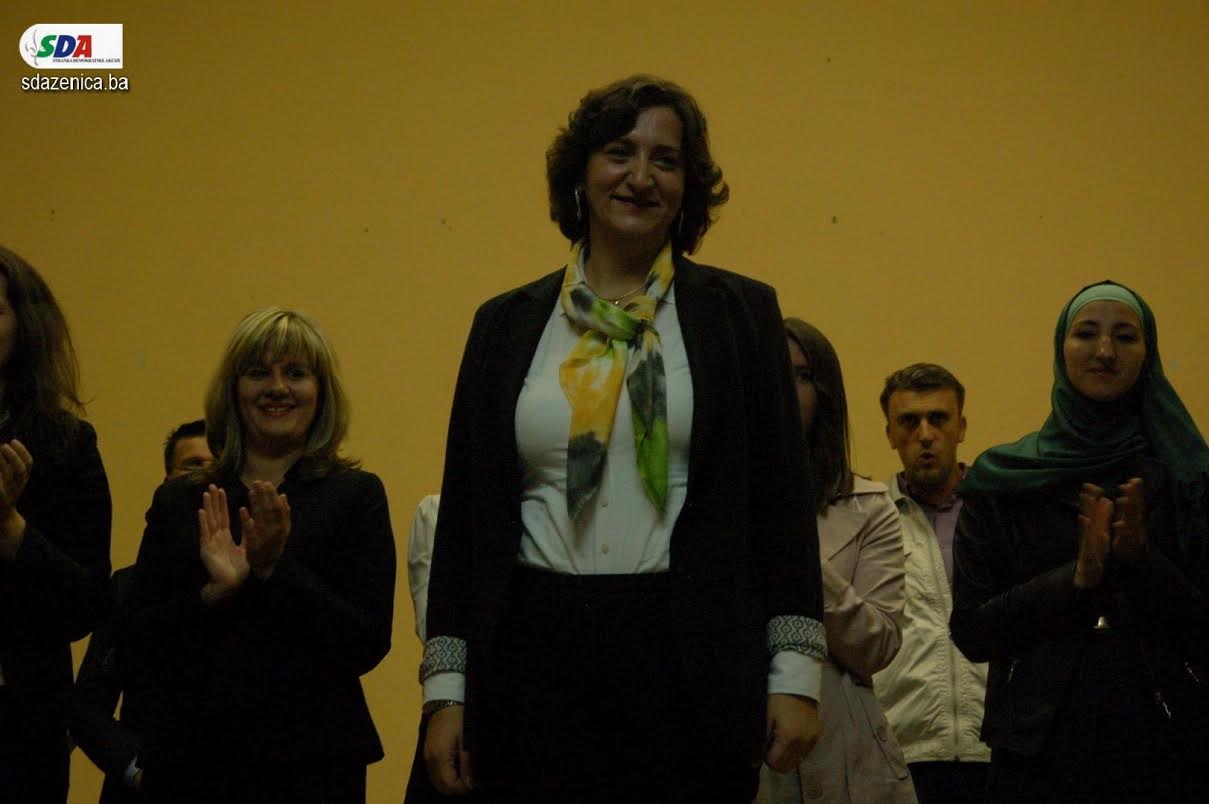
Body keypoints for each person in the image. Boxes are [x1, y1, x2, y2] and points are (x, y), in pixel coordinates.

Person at [421, 75, 825, 804]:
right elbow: (466, 522)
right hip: (528, 662)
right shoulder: (504, 324)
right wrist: (447, 689)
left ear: (687, 187)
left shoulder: (740, 315)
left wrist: (795, 674)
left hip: (689, 662)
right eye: (618, 152)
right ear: (579, 175)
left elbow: (783, 509)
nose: (640, 177)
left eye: (665, 160)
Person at [122, 308, 396, 804]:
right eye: (258, 373)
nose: (277, 388)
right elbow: (136, 640)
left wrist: (273, 569)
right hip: (190, 760)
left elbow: (367, 642)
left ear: (321, 391)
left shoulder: (356, 495)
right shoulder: (181, 499)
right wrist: (212, 594)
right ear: (233, 390)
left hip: (314, 765)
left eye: (295, 373)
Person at [950, 281, 1209, 802]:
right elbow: (973, 633)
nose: (1105, 351)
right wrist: (1075, 579)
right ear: (1060, 348)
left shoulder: (1188, 477)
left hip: (1167, 739)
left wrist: (1141, 561)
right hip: (1037, 744)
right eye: (1086, 333)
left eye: (1125, 336)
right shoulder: (1002, 479)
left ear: (1149, 354)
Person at [761, 319, 915, 803]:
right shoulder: (710, 503)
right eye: (774, 372)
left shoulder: (868, 506)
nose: (786, 389)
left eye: (803, 376)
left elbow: (878, 645)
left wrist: (795, 550)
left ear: (825, 394)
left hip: (848, 759)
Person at [0, 245, 112, 804]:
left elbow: (86, 604)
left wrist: (10, 528)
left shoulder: (65, 445)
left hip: (18, 730)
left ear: (24, 326)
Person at [72, 420, 214, 803]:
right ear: (166, 483)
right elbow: (87, 704)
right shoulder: (127, 586)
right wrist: (138, 769)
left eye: (219, 466)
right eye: (194, 466)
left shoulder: (260, 580)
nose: (207, 479)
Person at [872, 364, 989, 803]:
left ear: (961, 427)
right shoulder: (868, 519)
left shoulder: (998, 512)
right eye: (909, 421)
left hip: (996, 747)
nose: (925, 434)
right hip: (900, 750)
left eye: (938, 419)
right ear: (890, 434)